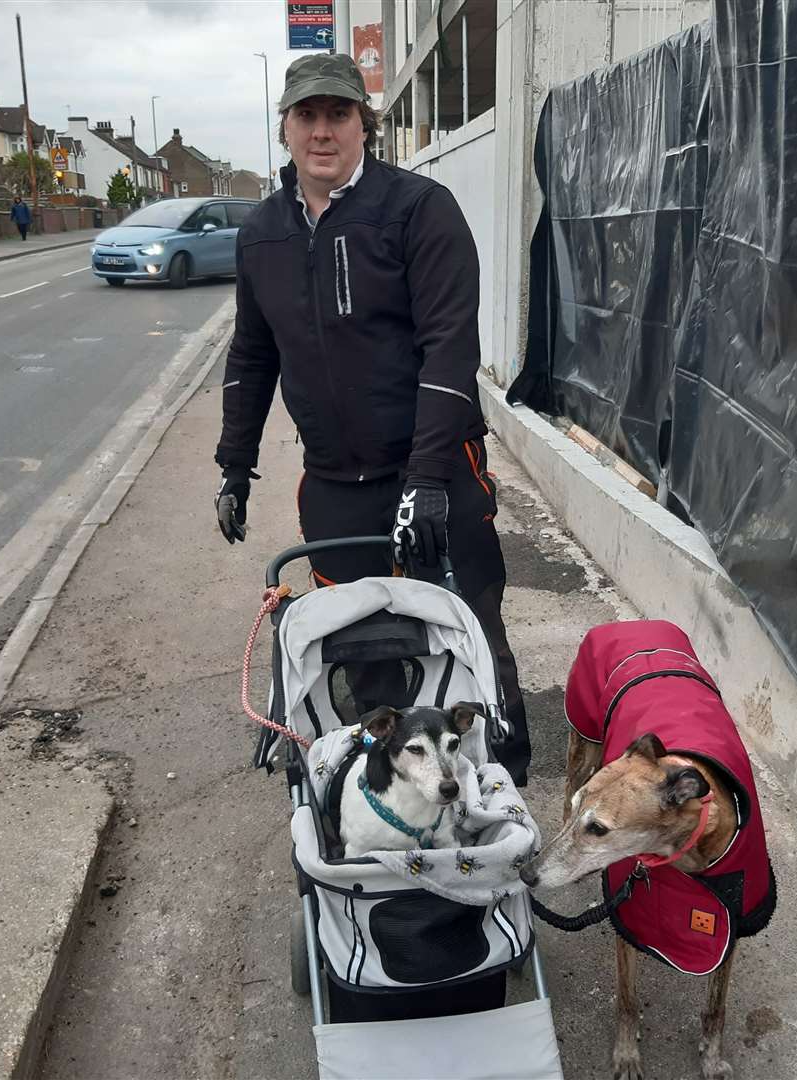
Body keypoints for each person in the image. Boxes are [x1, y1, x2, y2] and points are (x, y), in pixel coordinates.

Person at [214, 53, 531, 785]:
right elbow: (252, 354)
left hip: (434, 468)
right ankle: (395, 797)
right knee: (365, 648)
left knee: (467, 635)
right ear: (285, 126)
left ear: (364, 124)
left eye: (338, 114)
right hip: (334, 481)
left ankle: (501, 787)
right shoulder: (261, 232)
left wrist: (426, 478)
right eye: (307, 115)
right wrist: (235, 464)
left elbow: (448, 348)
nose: (322, 131)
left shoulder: (417, 208)